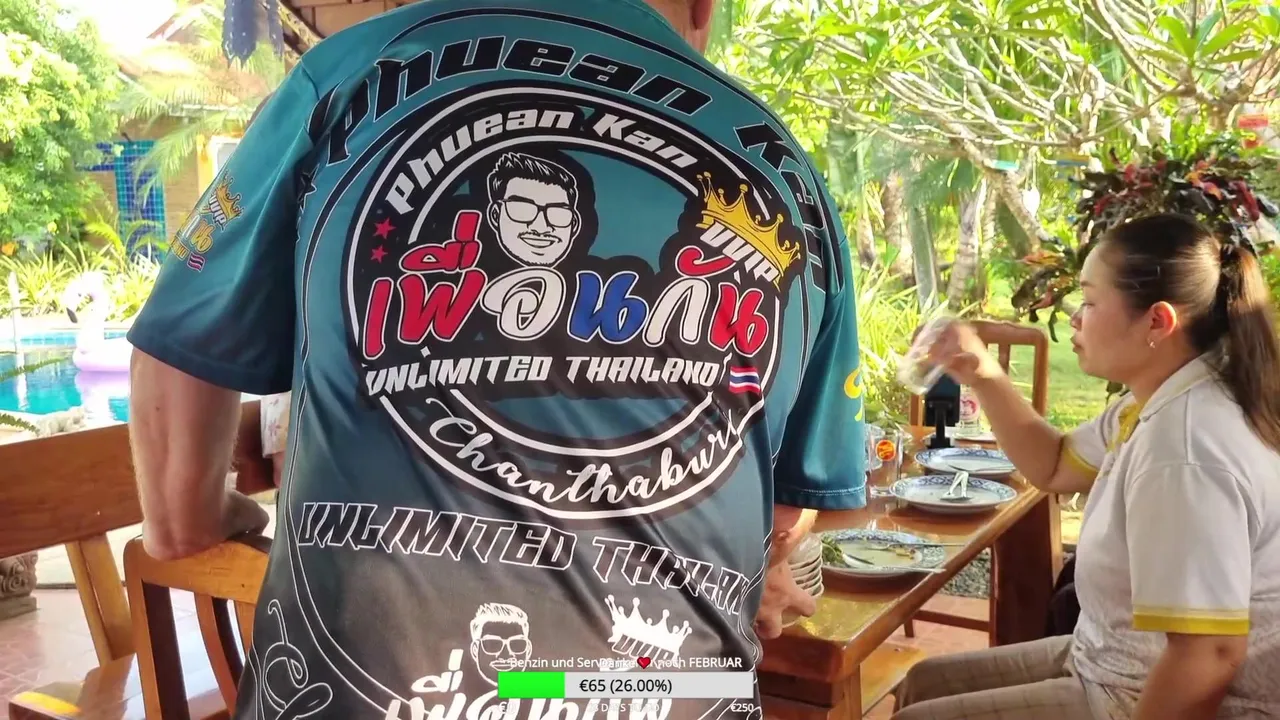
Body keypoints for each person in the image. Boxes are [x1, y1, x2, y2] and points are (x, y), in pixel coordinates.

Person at [124, 1, 868, 717]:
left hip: (364, 695)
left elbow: (180, 344)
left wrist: (190, 516)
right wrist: (756, 567)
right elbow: (788, 513)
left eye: (555, 213)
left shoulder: (349, 74)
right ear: (704, 7)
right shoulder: (787, 176)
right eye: (524, 210)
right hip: (664, 691)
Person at [899, 213, 1280, 720]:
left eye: (1092, 301)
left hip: (1139, 693)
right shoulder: (1158, 398)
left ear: (1158, 322)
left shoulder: (1185, 449)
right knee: (922, 683)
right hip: (1108, 659)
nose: (1076, 318)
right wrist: (984, 374)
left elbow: (1208, 656)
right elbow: (1055, 466)